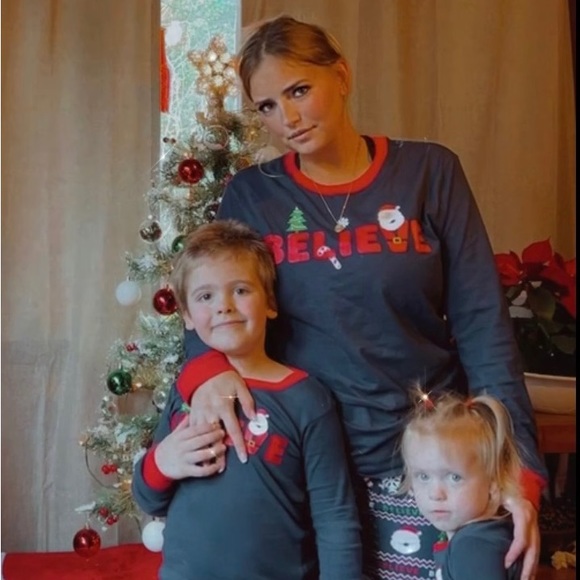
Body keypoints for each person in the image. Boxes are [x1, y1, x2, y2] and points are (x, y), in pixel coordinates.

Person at [175, 15, 547, 580]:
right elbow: (211, 305)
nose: (287, 118)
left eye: (299, 90)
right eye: (267, 106)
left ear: (342, 76)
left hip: (430, 462)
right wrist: (206, 374)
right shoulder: (253, 194)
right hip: (306, 465)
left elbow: (482, 324)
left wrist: (522, 476)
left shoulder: (429, 172)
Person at [132, 219, 362, 580]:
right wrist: (162, 462)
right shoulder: (185, 392)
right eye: (205, 296)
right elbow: (149, 498)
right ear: (188, 316)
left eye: (240, 290)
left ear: (269, 302)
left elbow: (335, 515)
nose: (224, 306)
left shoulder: (306, 399)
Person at [400, 390, 525, 579]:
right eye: (423, 476)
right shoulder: (480, 535)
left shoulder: (473, 547)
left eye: (454, 477)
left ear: (492, 482)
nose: (436, 494)